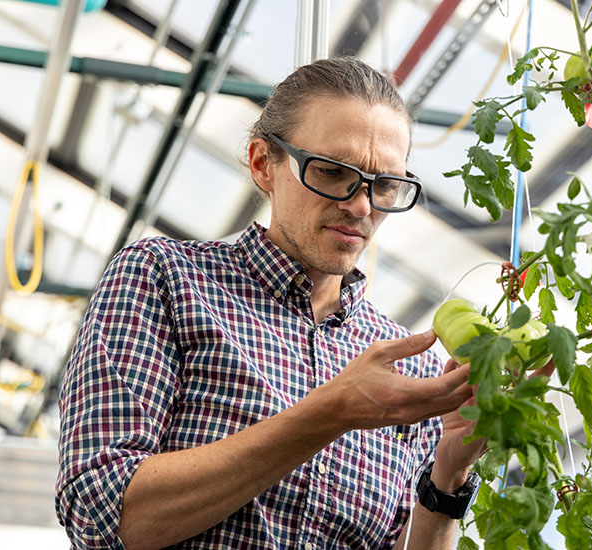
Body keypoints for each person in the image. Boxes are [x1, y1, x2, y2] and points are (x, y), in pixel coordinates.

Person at [56, 56, 487, 550]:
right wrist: (333, 410)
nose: (361, 205)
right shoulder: (166, 277)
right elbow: (100, 512)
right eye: (331, 172)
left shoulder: (406, 363)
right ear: (264, 163)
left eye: (384, 185)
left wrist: (446, 481)